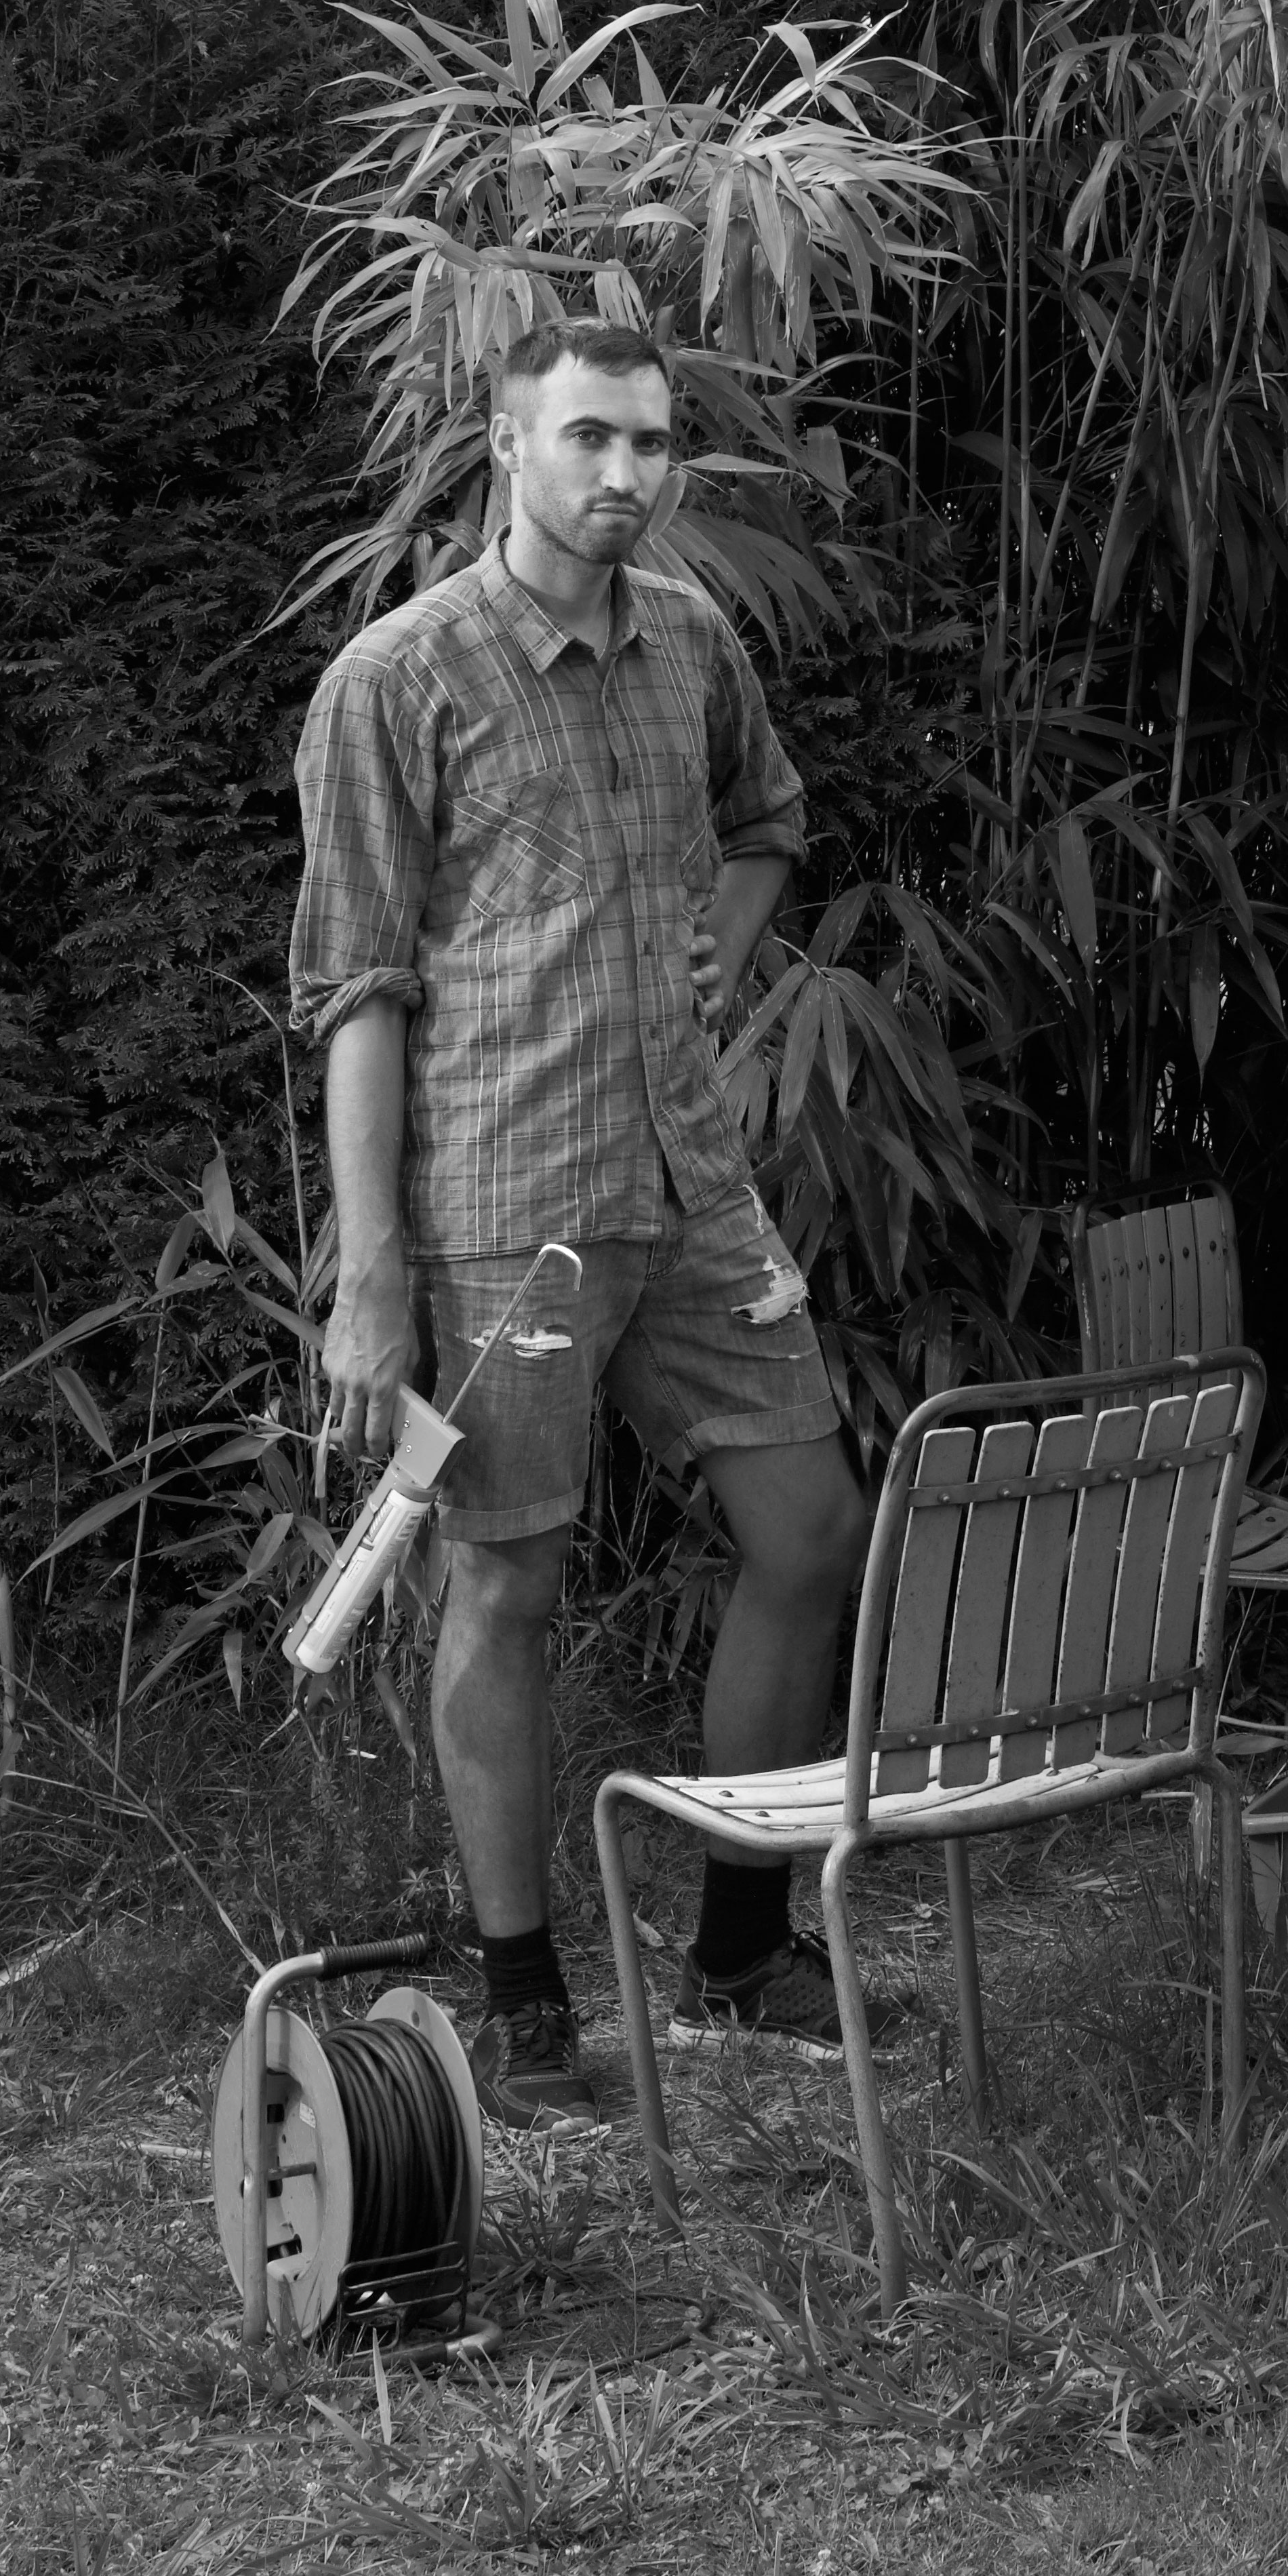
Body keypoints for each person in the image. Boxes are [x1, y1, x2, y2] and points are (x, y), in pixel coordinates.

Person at [291, 318, 875, 2122]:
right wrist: (372, 1274)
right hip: (502, 1211)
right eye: (587, 442)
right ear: (503, 448)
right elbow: (357, 987)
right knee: (509, 1578)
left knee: (814, 1532)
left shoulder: (693, 642)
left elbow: (769, 822)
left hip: (692, 1186)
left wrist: (725, 940)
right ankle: (525, 1992)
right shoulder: (399, 682)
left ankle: (740, 1951)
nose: (623, 477)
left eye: (648, 446)